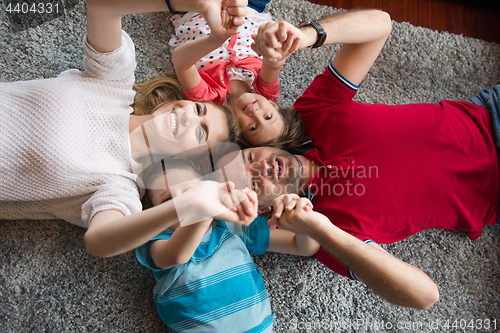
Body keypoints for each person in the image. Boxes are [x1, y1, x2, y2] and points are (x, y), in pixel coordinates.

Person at [226, 8, 500, 310]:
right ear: (263, 206)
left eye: (250, 157)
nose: (261, 166)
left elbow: (380, 25)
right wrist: (319, 228)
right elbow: (424, 295)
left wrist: (304, 36)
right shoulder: (327, 229)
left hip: (489, 115)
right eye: (253, 180)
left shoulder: (312, 113)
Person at [0, 0, 251, 258]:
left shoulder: (120, 186)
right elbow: (101, 6)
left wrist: (187, 205)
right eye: (198, 110)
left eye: (201, 133)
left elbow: (98, 242)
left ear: (184, 160)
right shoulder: (115, 83)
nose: (190, 117)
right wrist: (197, 4)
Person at [136, 156, 320, 331]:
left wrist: (301, 218)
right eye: (167, 200)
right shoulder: (157, 241)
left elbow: (304, 246)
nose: (181, 202)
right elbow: (175, 256)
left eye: (190, 192)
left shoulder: (233, 225)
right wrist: (202, 209)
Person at [169, 5, 305, 149]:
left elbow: (181, 63)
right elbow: (273, 63)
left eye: (253, 127)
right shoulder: (265, 93)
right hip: (249, 9)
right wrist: (278, 50)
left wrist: (216, 39)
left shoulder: (209, 100)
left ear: (236, 130)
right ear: (273, 105)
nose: (256, 114)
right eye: (268, 117)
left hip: (199, 10)